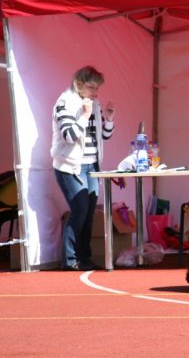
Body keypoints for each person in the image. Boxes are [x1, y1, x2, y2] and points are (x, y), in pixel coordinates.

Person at [52, 66, 115, 271]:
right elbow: (69, 135)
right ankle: (70, 260)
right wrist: (84, 115)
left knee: (88, 214)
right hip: (71, 166)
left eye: (97, 89)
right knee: (79, 211)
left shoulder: (93, 103)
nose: (95, 93)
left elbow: (103, 137)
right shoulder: (65, 103)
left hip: (92, 165)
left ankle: (84, 257)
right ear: (78, 83)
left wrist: (110, 118)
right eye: (91, 87)